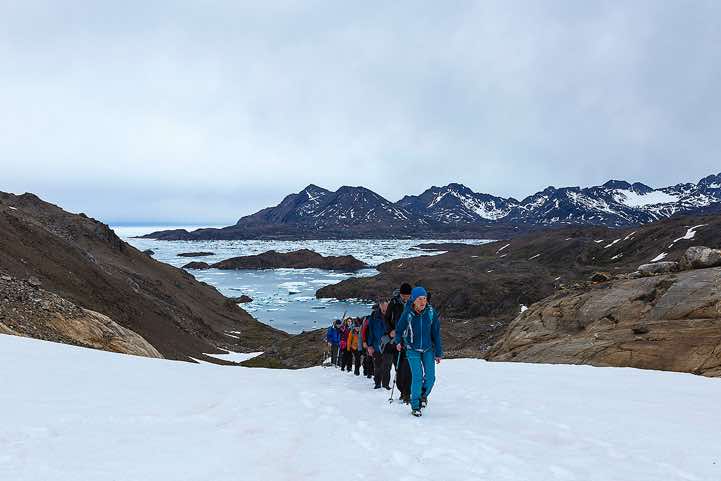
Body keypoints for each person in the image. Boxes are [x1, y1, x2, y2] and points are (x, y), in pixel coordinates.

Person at [394, 286, 443, 417]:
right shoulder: (408, 313)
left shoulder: (431, 312)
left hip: (428, 349)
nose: (423, 301)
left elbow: (436, 334)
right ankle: (415, 405)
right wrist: (398, 342)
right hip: (412, 349)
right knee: (417, 377)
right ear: (414, 300)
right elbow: (399, 329)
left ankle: (422, 396)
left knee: (431, 378)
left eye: (425, 298)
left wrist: (438, 353)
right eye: (420, 299)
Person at [385, 283, 412, 397]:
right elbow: (386, 319)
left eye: (408, 296)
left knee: (409, 367)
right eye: (404, 295)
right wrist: (390, 331)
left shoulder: (413, 303)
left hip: (410, 340)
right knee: (399, 368)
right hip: (396, 340)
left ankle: (407, 392)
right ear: (400, 294)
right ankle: (402, 391)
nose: (406, 298)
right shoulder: (394, 303)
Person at [366, 300, 388, 389]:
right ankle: (378, 383)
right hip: (376, 345)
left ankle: (386, 384)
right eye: (382, 304)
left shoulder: (392, 315)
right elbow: (370, 332)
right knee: (378, 366)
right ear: (379, 305)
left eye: (385, 304)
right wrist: (369, 345)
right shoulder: (374, 316)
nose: (383, 307)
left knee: (387, 366)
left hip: (388, 345)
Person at [360, 314, 374, 378]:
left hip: (368, 342)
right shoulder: (369, 321)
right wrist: (364, 341)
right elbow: (363, 333)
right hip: (368, 342)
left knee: (369, 358)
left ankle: (369, 372)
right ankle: (369, 372)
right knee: (369, 357)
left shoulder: (367, 321)